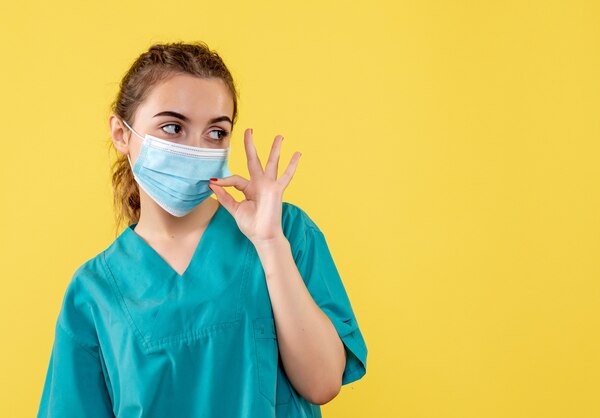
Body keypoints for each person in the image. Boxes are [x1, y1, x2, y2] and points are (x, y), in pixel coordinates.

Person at [36, 41, 367, 418]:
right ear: (121, 133)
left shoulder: (285, 232)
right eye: (173, 127)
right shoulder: (93, 292)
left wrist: (270, 244)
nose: (195, 148)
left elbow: (323, 383)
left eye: (215, 133)